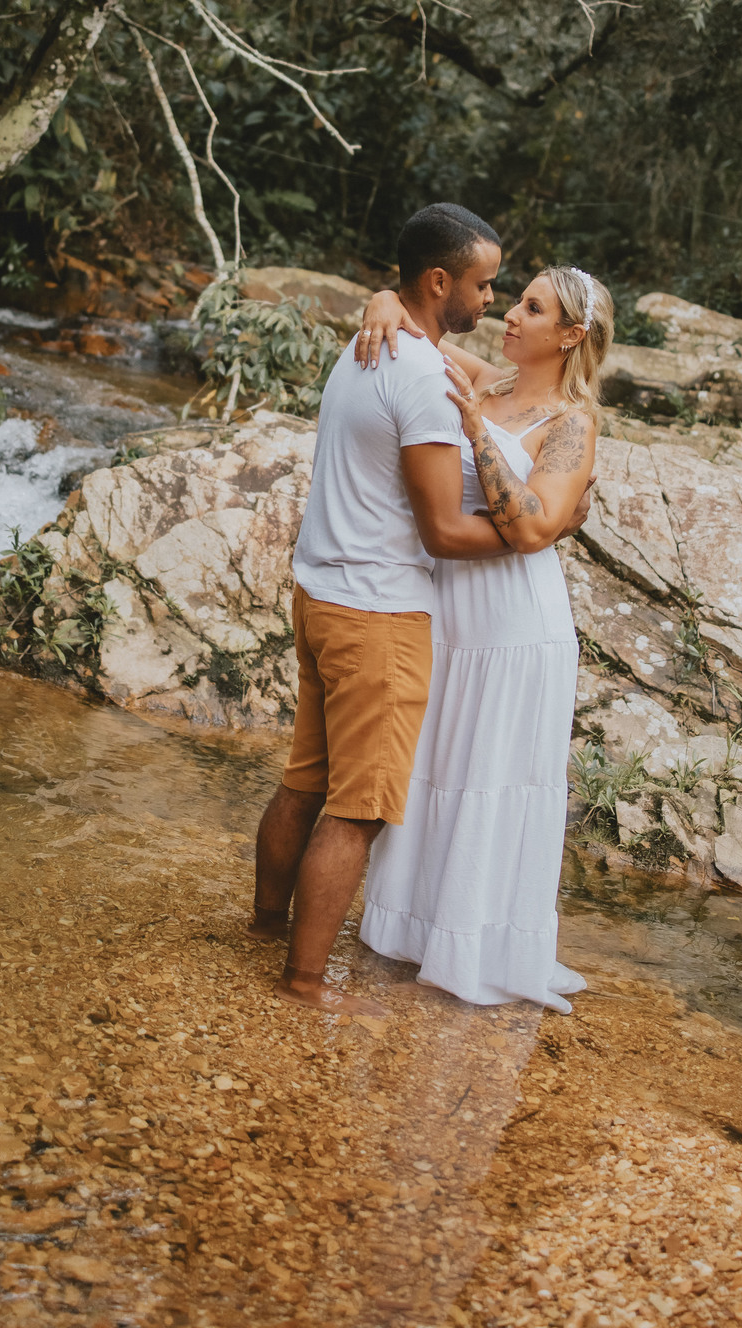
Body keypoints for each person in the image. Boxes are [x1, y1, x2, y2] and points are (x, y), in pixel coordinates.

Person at [251, 203, 519, 1018]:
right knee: (358, 810)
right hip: (378, 619)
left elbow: (494, 381)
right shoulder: (422, 378)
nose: (493, 301)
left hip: (321, 598)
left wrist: (382, 300)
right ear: (439, 282)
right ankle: (304, 985)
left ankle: (263, 930)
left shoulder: (368, 345)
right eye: (484, 284)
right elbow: (443, 532)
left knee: (305, 782)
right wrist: (530, 533)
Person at [353, 261, 612, 1012]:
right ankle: (412, 930)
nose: (511, 316)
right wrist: (381, 299)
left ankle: (477, 946)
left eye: (532, 309)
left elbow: (533, 527)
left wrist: (475, 431)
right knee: (434, 766)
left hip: (515, 625)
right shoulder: (490, 383)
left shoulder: (572, 424)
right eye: (516, 301)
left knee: (490, 775)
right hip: (449, 612)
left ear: (570, 335)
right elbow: (414, 330)